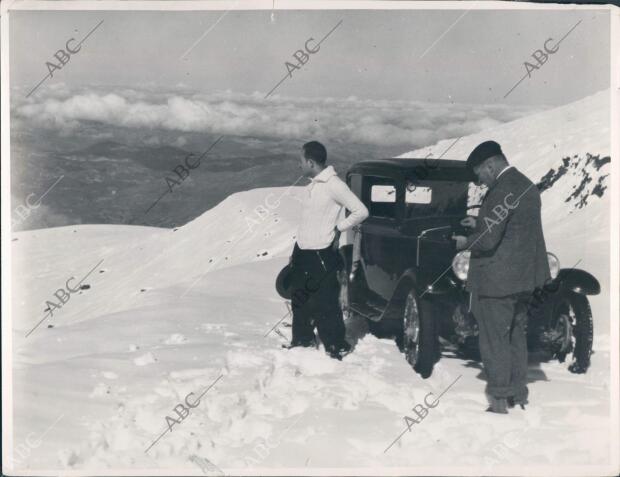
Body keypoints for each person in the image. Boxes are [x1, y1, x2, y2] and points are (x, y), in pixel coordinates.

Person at [452, 140, 550, 413]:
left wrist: (463, 241)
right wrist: (480, 222)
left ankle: (498, 401)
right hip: (524, 280)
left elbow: (487, 242)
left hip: (497, 281)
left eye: (480, 174)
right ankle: (518, 394)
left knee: (494, 340)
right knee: (516, 336)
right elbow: (513, 229)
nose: (480, 182)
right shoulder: (526, 185)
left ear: (491, 165)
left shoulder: (501, 190)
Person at [287, 141, 369, 360]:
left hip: (322, 252)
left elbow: (361, 211)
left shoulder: (334, 185)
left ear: (311, 162)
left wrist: (338, 228)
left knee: (326, 301)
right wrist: (297, 248)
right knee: (299, 298)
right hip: (303, 250)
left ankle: (336, 344)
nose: (299, 165)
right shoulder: (314, 185)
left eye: (301, 161)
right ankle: (302, 340)